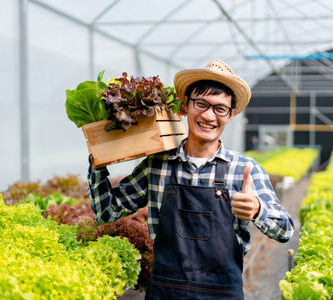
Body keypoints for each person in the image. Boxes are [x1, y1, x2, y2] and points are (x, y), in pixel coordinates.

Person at [87, 59, 294, 299]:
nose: (209, 115)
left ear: (231, 114)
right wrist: (97, 161)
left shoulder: (244, 169)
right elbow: (107, 211)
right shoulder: (158, 165)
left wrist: (258, 210)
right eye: (201, 103)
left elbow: (286, 230)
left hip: (222, 294)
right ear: (185, 105)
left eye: (220, 108)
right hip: (165, 293)